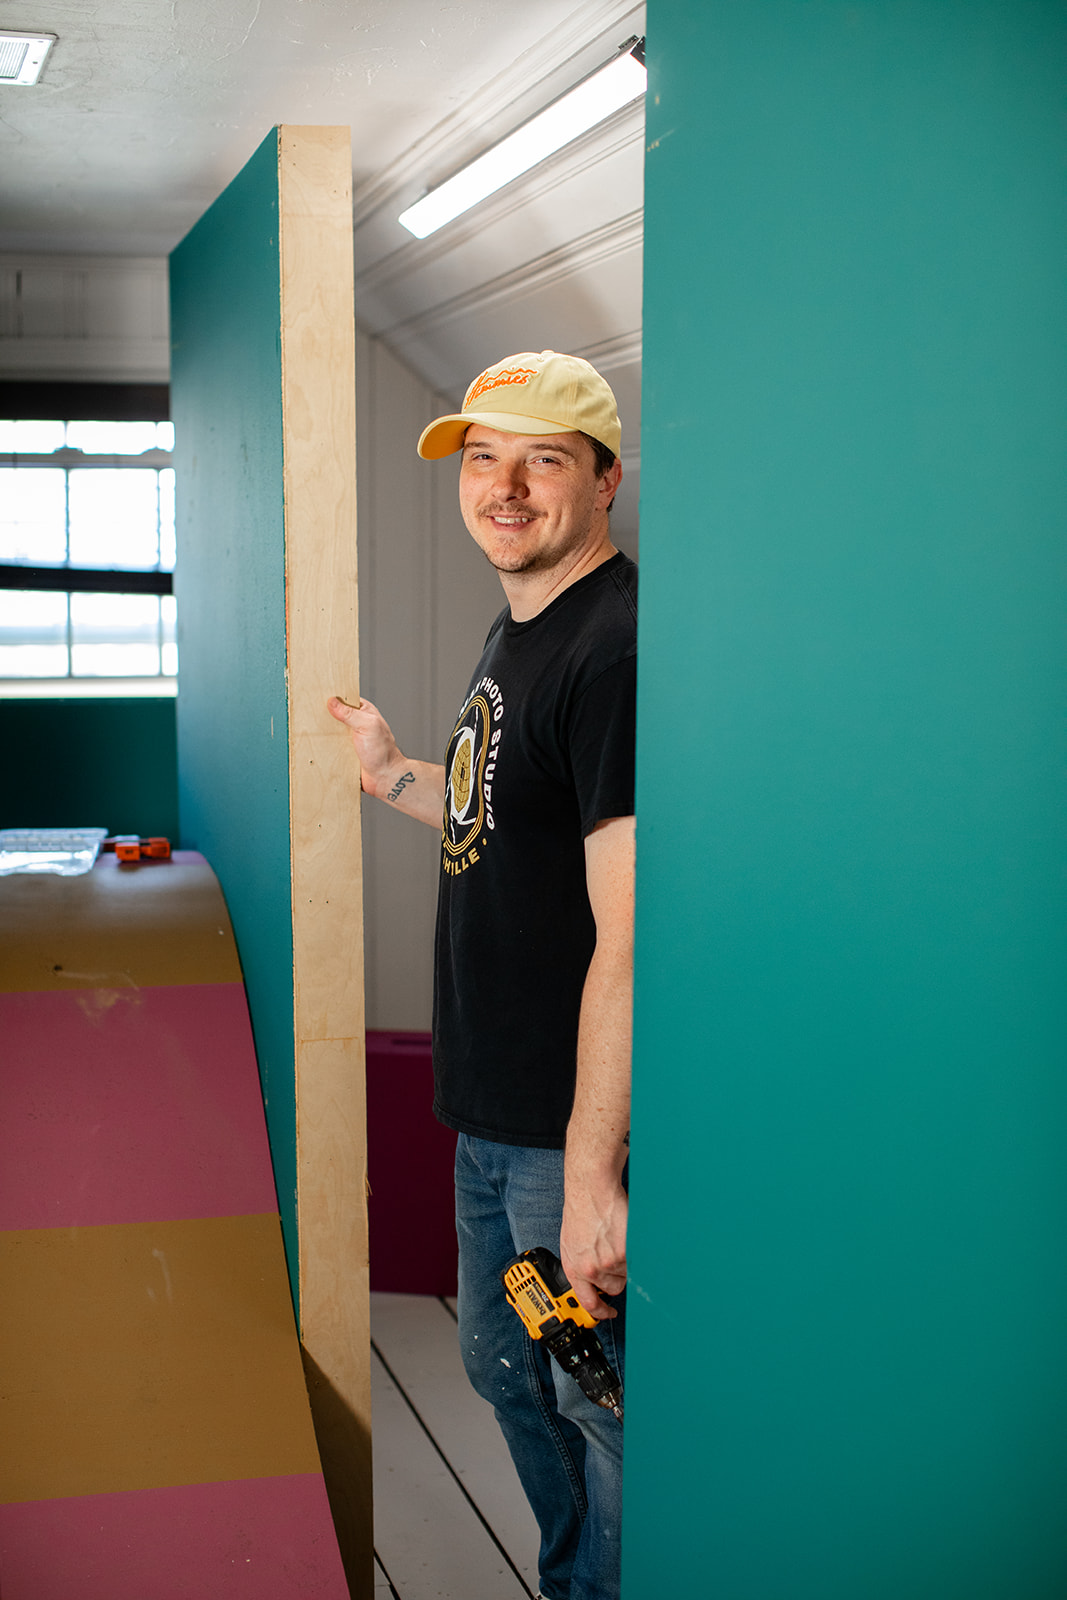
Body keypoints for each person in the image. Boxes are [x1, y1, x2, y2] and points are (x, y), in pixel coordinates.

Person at [328, 349, 635, 1600]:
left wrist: (594, 1169)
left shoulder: (613, 651)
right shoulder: (526, 624)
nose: (501, 488)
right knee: (505, 1372)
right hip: (490, 1112)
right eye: (480, 457)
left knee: (604, 1412)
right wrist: (397, 771)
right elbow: (498, 817)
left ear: (603, 479)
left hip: (558, 1135)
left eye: (541, 459)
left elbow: (632, 931)